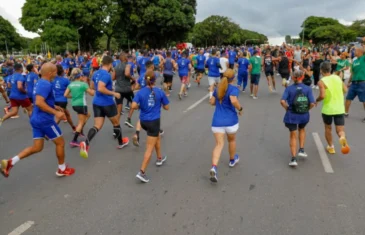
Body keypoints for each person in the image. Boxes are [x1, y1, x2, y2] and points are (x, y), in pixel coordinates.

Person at [1, 63, 75, 178]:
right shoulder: (46, 84)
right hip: (44, 120)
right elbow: (40, 102)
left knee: (37, 147)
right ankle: (62, 169)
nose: (57, 73)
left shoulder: (40, 82)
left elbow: (39, 100)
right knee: (60, 143)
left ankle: (11, 162)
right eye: (55, 71)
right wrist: (56, 113)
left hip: (36, 118)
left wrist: (54, 106)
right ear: (50, 73)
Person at [79, 56, 129, 159]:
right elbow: (101, 88)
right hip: (107, 103)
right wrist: (113, 93)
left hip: (96, 102)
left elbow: (92, 87)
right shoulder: (106, 75)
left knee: (97, 125)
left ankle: (86, 143)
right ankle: (121, 142)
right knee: (116, 123)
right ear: (110, 64)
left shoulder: (95, 73)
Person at [132, 71, 169, 183]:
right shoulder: (159, 92)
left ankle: (159, 158)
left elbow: (133, 105)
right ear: (155, 80)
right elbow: (167, 107)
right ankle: (142, 172)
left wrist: (141, 106)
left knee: (156, 136)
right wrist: (160, 103)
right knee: (149, 147)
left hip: (143, 121)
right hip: (154, 121)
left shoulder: (140, 92)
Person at [208, 69, 242, 182]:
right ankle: (232, 160)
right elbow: (233, 100)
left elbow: (212, 102)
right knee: (231, 140)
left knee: (219, 144)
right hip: (231, 121)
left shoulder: (218, 89)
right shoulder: (233, 89)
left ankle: (214, 167)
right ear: (233, 78)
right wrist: (240, 109)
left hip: (217, 121)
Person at [280, 70, 315, 167]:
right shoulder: (308, 89)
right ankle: (302, 149)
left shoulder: (289, 89)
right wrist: (307, 109)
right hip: (304, 115)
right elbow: (312, 103)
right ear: (302, 77)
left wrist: (287, 108)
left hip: (292, 115)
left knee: (293, 135)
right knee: (302, 129)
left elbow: (282, 101)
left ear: (293, 77)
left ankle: (293, 158)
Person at [316, 61, 350, 154]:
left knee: (328, 128)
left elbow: (322, 96)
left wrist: (316, 100)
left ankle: (331, 147)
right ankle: (342, 139)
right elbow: (345, 89)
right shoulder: (338, 78)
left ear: (321, 70)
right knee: (340, 130)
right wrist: (339, 95)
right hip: (339, 108)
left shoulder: (321, 82)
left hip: (328, 109)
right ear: (330, 69)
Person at [64, 68, 95, 147]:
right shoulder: (83, 84)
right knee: (81, 122)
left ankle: (80, 130)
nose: (83, 76)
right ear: (79, 76)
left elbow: (65, 95)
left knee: (88, 115)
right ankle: (74, 139)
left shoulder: (71, 84)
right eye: (82, 75)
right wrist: (92, 87)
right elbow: (91, 93)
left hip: (74, 105)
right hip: (82, 105)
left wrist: (73, 97)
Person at [114, 53, 135, 128]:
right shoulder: (127, 65)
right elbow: (127, 73)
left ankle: (116, 128)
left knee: (118, 110)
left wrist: (119, 78)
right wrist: (132, 78)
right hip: (126, 89)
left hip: (118, 89)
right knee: (134, 103)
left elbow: (113, 78)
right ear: (125, 59)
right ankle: (128, 118)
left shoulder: (116, 66)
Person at [345, 45, 365, 122]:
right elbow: (352, 73)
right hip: (354, 83)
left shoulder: (363, 59)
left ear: (360, 51)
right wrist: (349, 82)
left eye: (356, 50)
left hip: (362, 83)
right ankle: (345, 113)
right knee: (348, 98)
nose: (354, 52)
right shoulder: (355, 61)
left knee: (364, 100)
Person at [53, 65, 76, 130]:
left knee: (67, 114)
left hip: (55, 100)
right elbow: (72, 88)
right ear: (62, 71)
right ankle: (49, 131)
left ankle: (73, 127)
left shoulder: (53, 80)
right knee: (59, 117)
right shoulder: (65, 80)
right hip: (62, 101)